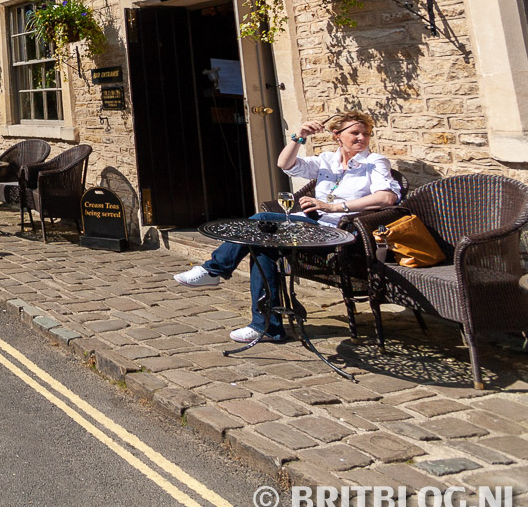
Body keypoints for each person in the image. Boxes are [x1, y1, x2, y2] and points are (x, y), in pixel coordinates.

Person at [171, 112, 402, 343]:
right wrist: (299, 136)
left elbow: (387, 198)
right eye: (355, 133)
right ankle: (267, 327)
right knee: (263, 246)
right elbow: (285, 164)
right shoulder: (327, 160)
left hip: (341, 231)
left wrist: (333, 207)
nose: (362, 138)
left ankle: (215, 271)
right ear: (337, 136)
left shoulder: (375, 162)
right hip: (312, 224)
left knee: (262, 219)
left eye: (366, 134)